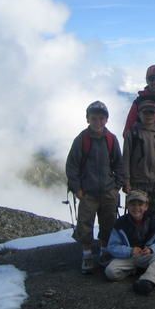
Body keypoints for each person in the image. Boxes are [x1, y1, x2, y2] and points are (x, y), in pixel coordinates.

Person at [66, 101, 123, 274]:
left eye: (101, 118)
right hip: (88, 193)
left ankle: (104, 252)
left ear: (106, 120)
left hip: (108, 191)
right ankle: (87, 254)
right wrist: (77, 189)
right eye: (94, 118)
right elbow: (72, 166)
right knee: (85, 225)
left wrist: (116, 188)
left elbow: (119, 165)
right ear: (87, 119)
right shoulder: (81, 139)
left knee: (108, 224)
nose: (98, 122)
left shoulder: (111, 139)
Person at [104, 190, 155, 296]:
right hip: (128, 257)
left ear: (146, 206)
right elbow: (112, 246)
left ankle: (147, 281)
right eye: (132, 204)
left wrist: (151, 249)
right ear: (127, 206)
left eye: (140, 204)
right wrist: (130, 251)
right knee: (110, 272)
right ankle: (136, 270)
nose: (136, 208)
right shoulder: (120, 223)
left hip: (146, 255)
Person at [122, 98, 155, 218]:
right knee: (136, 216)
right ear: (139, 114)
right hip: (137, 182)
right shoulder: (132, 134)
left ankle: (154, 237)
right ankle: (135, 237)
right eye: (145, 113)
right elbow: (126, 159)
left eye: (152, 113)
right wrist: (126, 182)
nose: (148, 116)